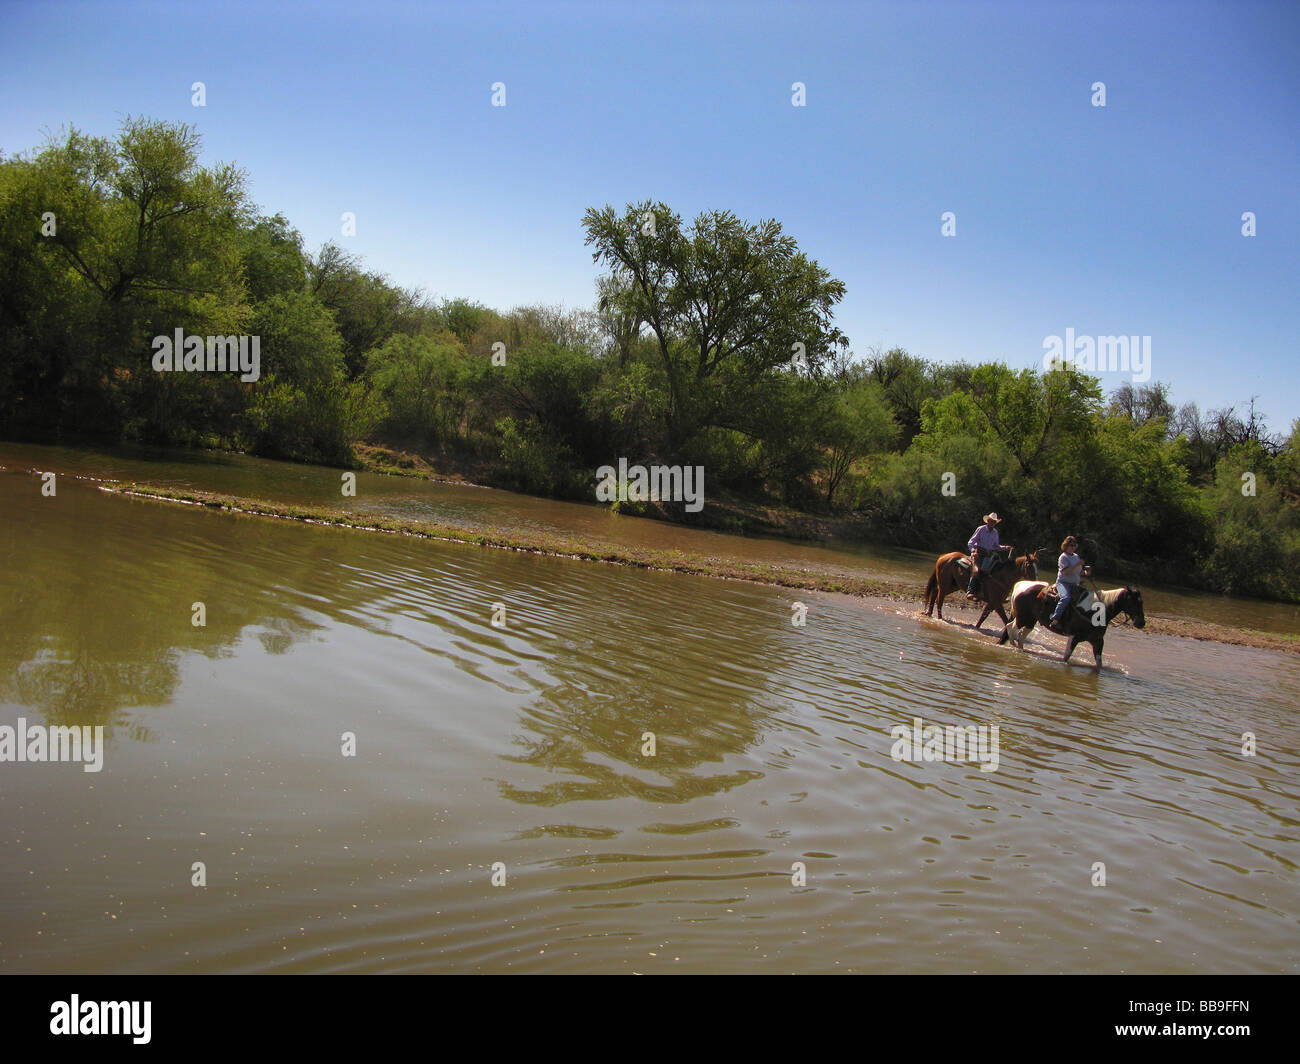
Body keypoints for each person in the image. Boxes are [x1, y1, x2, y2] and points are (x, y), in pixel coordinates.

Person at [1048, 535, 1090, 632]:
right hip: (1063, 583)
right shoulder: (1063, 557)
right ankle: (1055, 619)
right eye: (1071, 545)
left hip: (1075, 583)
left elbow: (1078, 572)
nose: (1073, 547)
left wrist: (1085, 573)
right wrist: (1078, 564)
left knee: (1087, 597)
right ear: (1066, 546)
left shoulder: (1076, 557)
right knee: (1066, 598)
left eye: (1074, 545)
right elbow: (1066, 572)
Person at [965, 512, 1003, 598]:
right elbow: (971, 542)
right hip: (979, 553)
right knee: (977, 570)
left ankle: (992, 592)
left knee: (996, 571)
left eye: (994, 522)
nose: (992, 523)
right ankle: (970, 590)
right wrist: (973, 551)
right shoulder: (981, 529)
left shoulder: (995, 532)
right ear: (988, 521)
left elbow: (996, 546)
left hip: (989, 554)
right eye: (991, 521)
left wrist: (1005, 547)